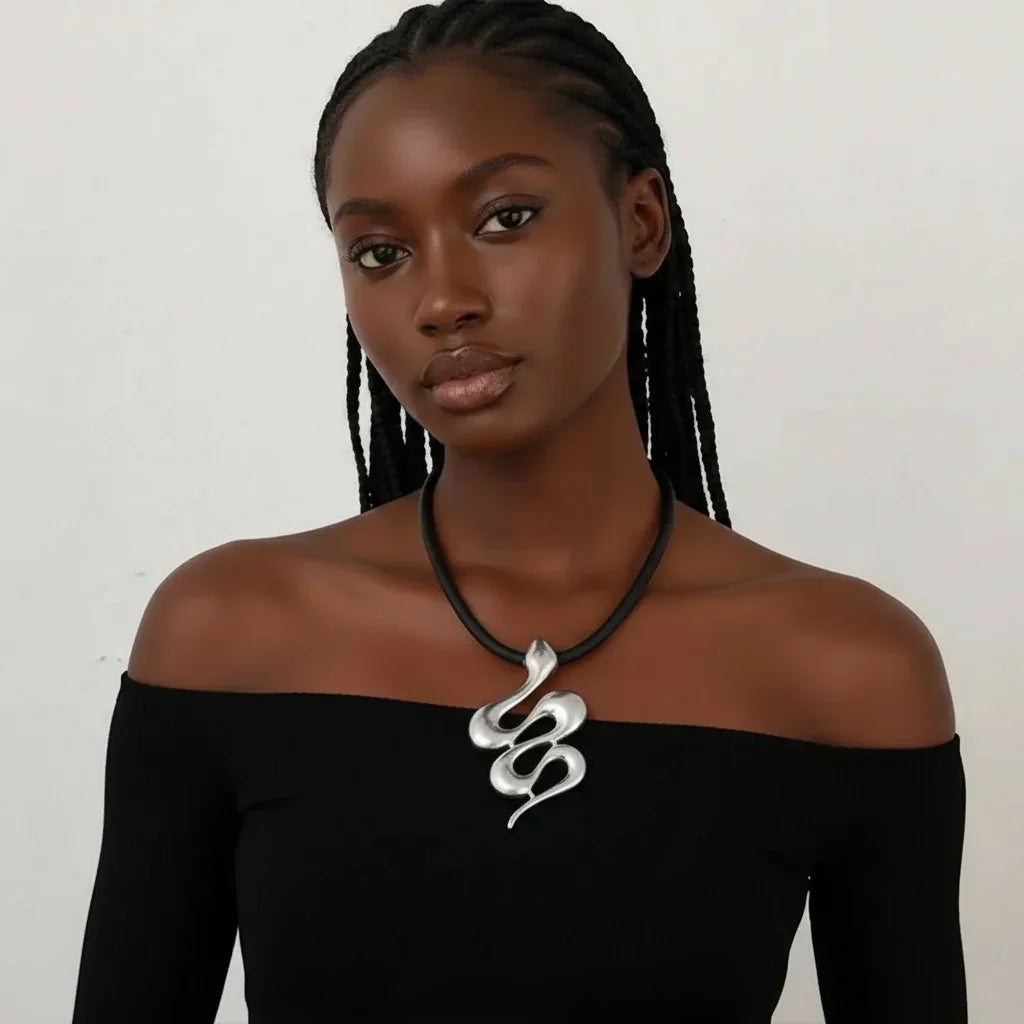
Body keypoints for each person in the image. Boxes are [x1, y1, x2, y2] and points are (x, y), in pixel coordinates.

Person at [71, 1, 967, 1020]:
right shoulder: (228, 629)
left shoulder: (846, 668)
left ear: (640, 222)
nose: (440, 299)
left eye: (505, 218)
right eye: (379, 251)